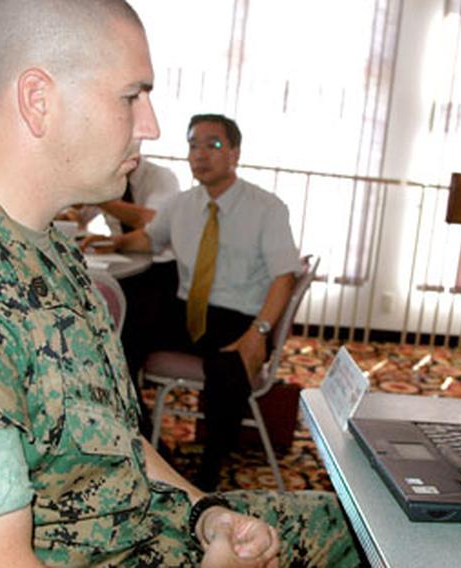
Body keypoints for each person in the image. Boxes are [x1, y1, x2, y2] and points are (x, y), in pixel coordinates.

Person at [0, 1, 359, 567]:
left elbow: (109, 438)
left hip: (142, 528)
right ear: (38, 100)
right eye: (132, 96)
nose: (150, 124)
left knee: (362, 524)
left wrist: (206, 513)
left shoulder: (42, 246)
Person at [84, 113, 300, 491]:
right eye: (193, 145)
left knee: (228, 367)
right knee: (119, 337)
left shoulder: (267, 208)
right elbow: (149, 239)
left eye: (213, 145)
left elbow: (284, 276)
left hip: (240, 315)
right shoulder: (183, 204)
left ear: (234, 153)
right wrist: (110, 242)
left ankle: (209, 474)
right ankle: (147, 439)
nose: (200, 154)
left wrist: (259, 332)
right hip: (188, 312)